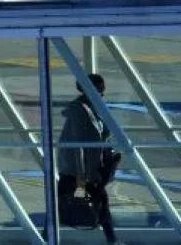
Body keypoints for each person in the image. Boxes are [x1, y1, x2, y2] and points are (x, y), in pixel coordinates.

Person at [57, 74, 123, 245]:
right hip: (77, 172)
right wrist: (82, 179)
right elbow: (77, 145)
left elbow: (100, 138)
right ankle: (112, 240)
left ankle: (112, 240)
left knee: (98, 203)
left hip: (88, 170)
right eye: (100, 91)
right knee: (64, 206)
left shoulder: (94, 109)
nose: (102, 95)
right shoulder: (80, 111)